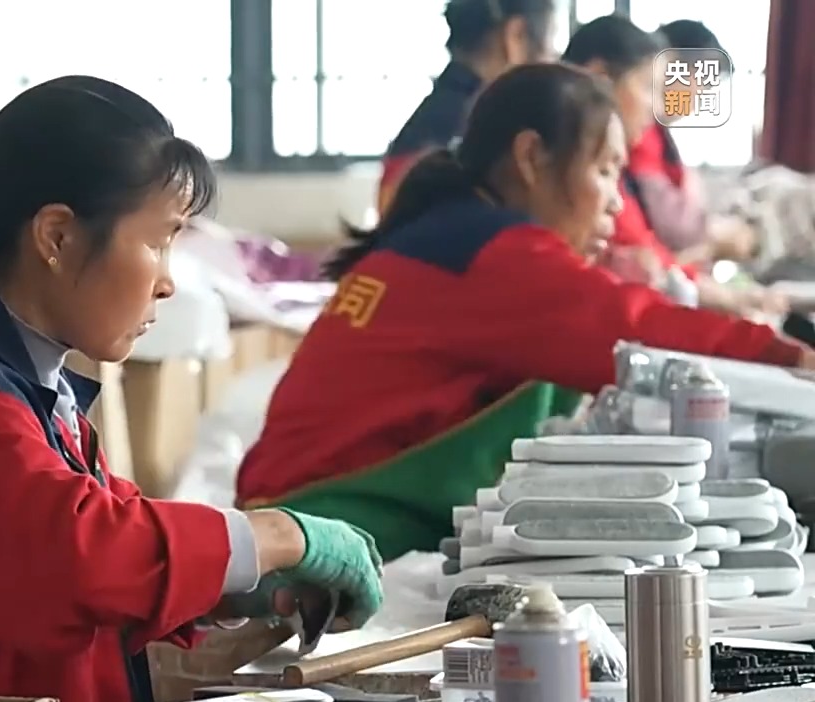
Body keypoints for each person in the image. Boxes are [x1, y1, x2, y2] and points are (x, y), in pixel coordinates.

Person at [0, 75, 384, 702]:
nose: (167, 282)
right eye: (158, 241)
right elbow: (84, 558)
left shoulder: (22, 392)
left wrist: (230, 588)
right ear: (57, 237)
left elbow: (103, 553)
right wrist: (277, 536)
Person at [236, 63, 815, 561]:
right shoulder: (495, 255)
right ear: (532, 157)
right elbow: (639, 333)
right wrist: (789, 358)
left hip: (287, 509)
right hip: (317, 524)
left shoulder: (448, 233)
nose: (617, 202)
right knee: (592, 381)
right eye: (604, 171)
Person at [562, 15, 788, 317]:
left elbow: (646, 253)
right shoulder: (613, 150)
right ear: (600, 79)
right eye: (648, 87)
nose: (656, 105)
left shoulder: (631, 145)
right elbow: (650, 249)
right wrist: (713, 260)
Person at [376, 0, 559, 215]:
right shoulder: (488, 135)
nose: (554, 63)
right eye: (550, 48)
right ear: (515, 37)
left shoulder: (428, 124)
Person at [631, 20, 758, 266]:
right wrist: (715, 236)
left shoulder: (657, 133)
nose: (700, 95)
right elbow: (675, 226)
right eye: (703, 82)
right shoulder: (640, 135)